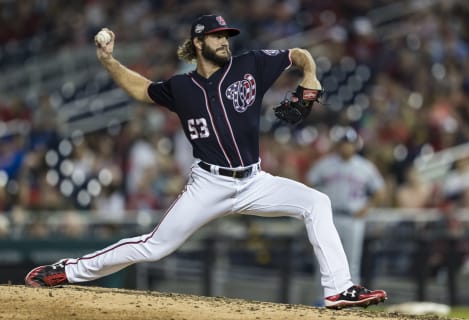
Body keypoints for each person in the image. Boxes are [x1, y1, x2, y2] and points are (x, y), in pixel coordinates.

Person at [24, 14, 386, 309]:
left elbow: (298, 54)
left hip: (255, 181)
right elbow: (139, 88)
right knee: (154, 246)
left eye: (226, 35)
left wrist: (310, 75)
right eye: (216, 36)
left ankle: (339, 289)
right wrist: (108, 61)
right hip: (209, 183)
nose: (224, 41)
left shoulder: (250, 65)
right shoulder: (181, 88)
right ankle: (68, 271)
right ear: (198, 43)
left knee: (316, 202)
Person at [307, 126, 385, 285]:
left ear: (356, 145)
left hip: (353, 218)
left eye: (349, 143)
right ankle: (321, 301)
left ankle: (350, 301)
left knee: (351, 262)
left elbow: (380, 191)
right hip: (329, 217)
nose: (346, 146)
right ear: (338, 145)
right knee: (323, 260)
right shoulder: (325, 164)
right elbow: (309, 184)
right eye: (343, 143)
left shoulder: (365, 167)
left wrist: (367, 207)